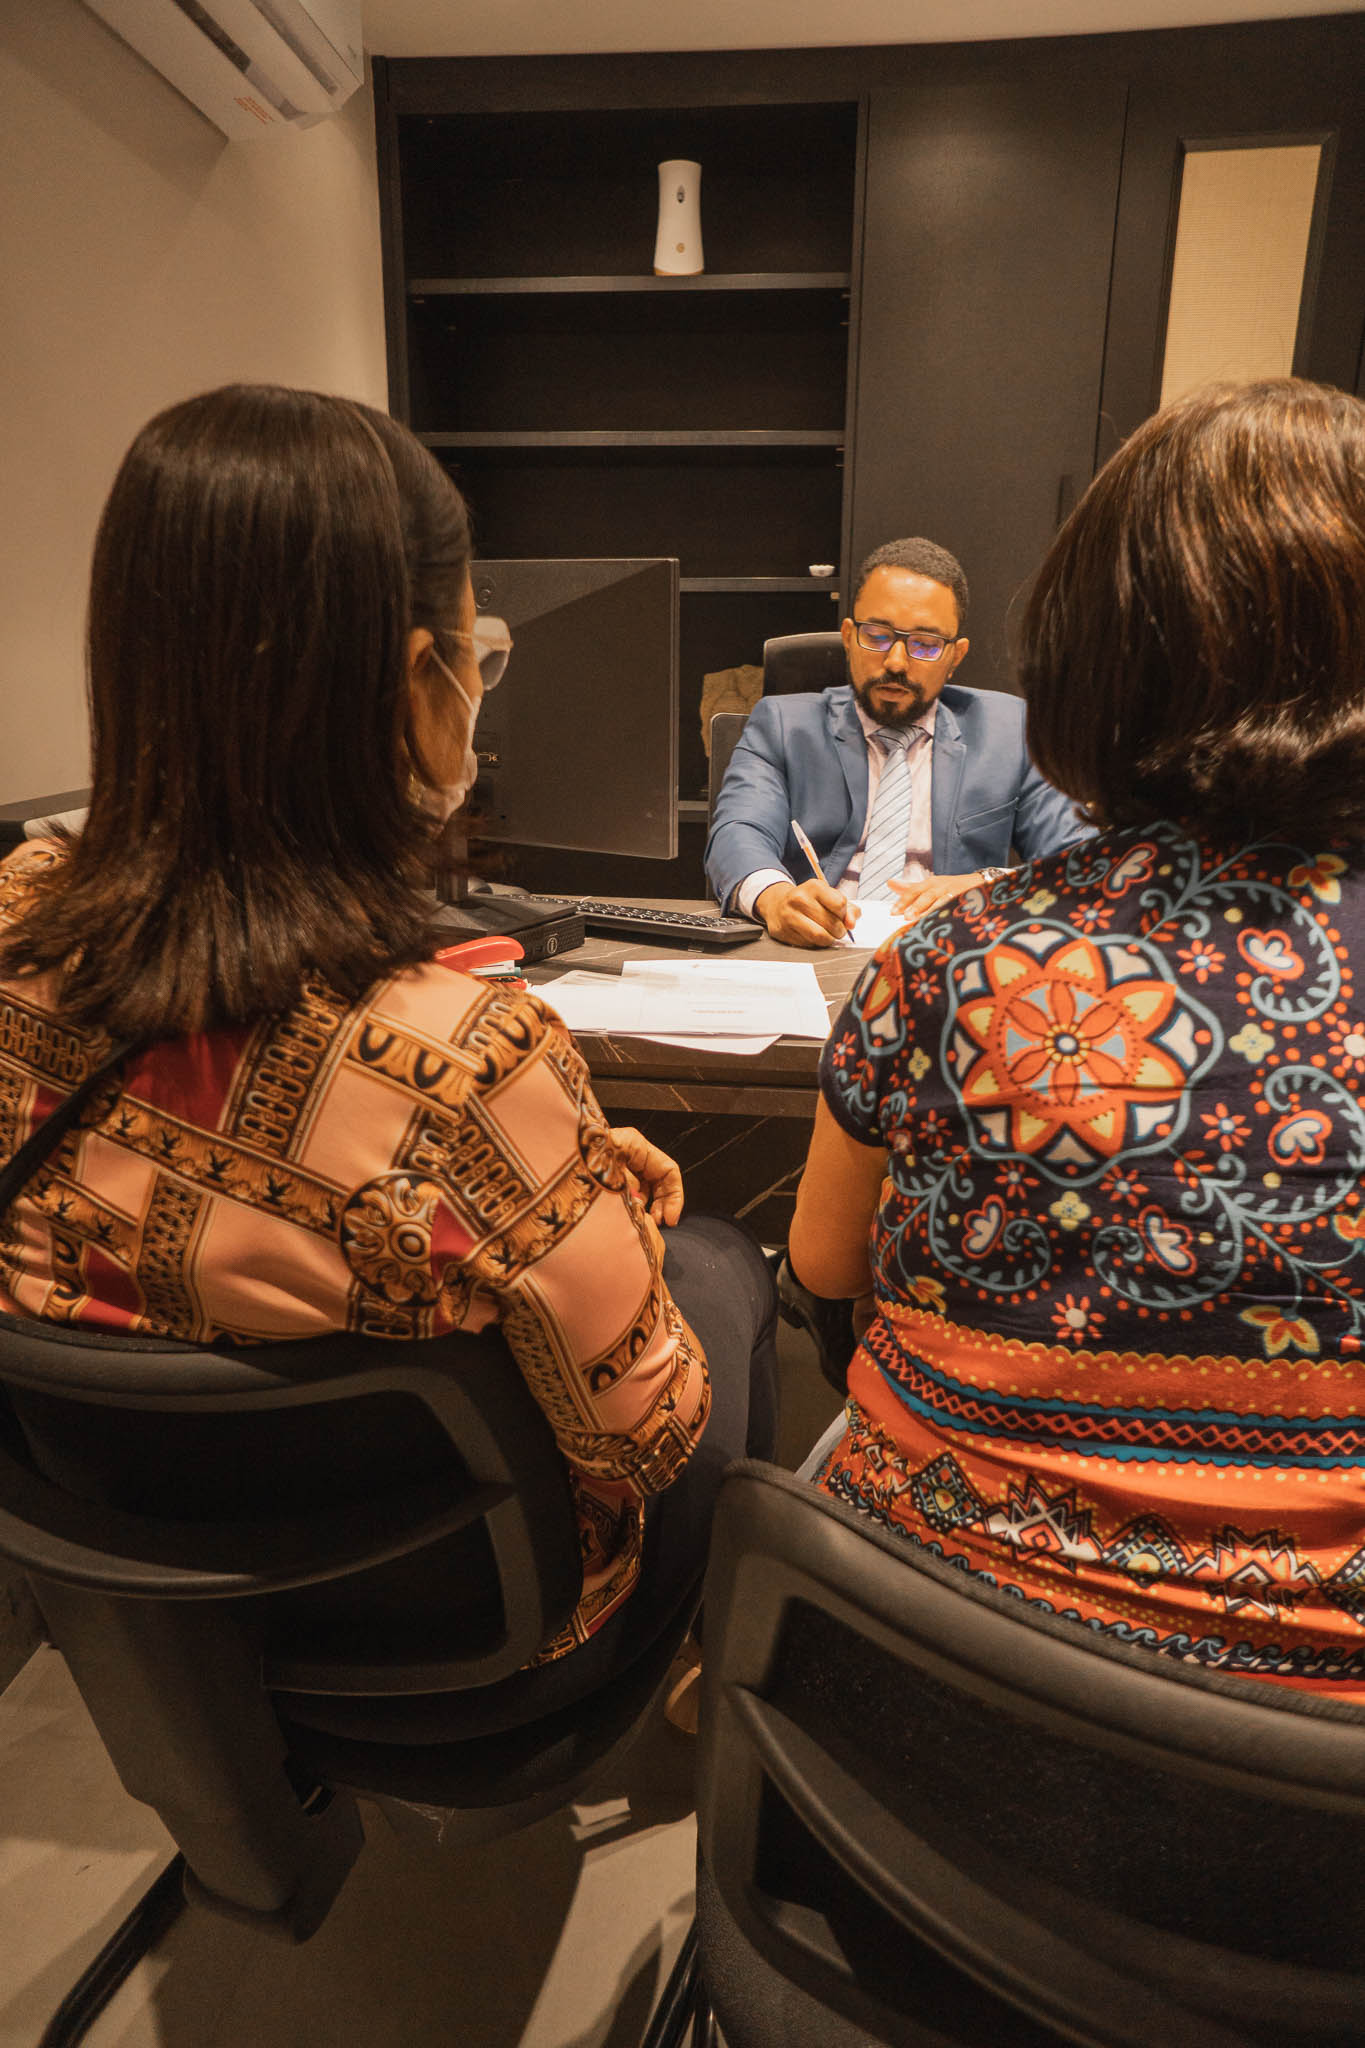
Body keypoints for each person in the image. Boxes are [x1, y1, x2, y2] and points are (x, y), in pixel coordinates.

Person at [0, 383, 775, 1713]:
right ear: (423, 684)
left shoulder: (15, 926)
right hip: (468, 1638)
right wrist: (598, 1208)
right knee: (722, 1275)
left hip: (136, 1584)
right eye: (481, 658)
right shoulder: (469, 1060)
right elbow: (647, 1432)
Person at [789, 378, 1365, 1693]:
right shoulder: (801, 748)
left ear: (1086, 656)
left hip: (935, 1695)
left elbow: (823, 1276)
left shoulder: (944, 968)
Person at [704, 536, 1090, 948]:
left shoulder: (1011, 730)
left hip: (949, 955)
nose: (896, 662)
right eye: (877, 635)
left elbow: (1078, 859)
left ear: (956, 656)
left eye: (925, 644)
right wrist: (775, 898)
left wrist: (989, 885)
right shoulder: (783, 724)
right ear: (849, 636)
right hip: (815, 949)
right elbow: (736, 832)